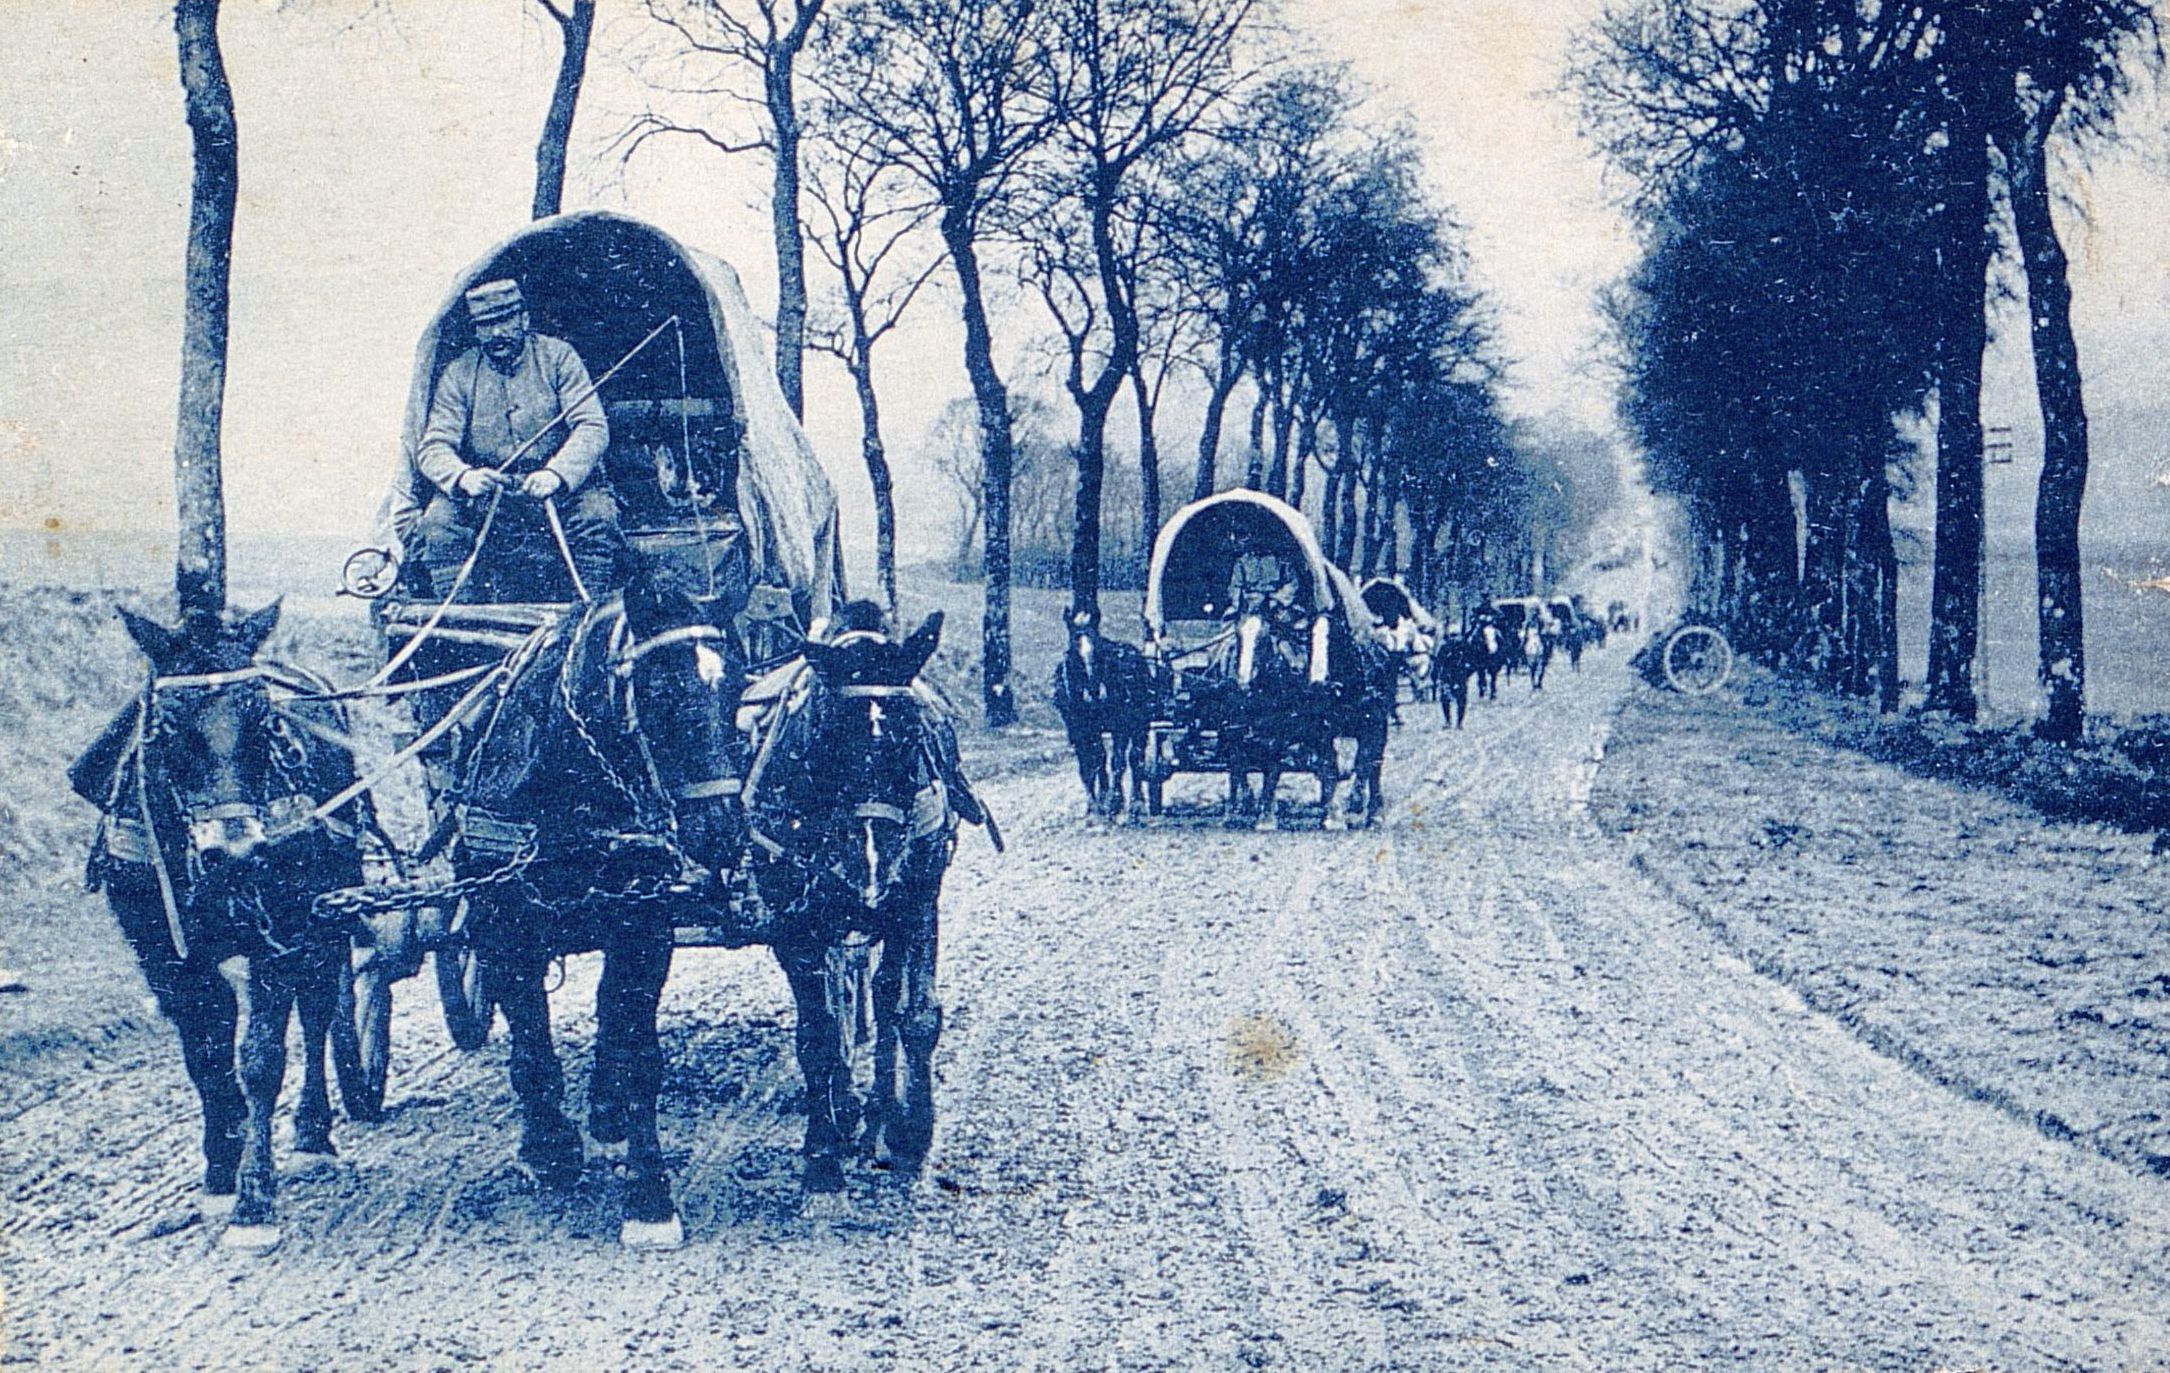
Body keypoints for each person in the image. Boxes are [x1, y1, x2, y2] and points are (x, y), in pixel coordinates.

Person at [406, 278, 620, 602]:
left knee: (597, 515)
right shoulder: (459, 374)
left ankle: (584, 619)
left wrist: (556, 474)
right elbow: (434, 447)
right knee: (438, 524)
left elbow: (591, 426)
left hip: (559, 490)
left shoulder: (559, 358)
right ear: (476, 330)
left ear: (524, 318)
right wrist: (464, 477)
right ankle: (460, 629)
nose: (496, 334)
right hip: (488, 493)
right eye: (485, 325)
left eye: (504, 321)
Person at [1224, 526, 1300, 623]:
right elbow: (1235, 586)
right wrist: (1237, 606)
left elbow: (1291, 583)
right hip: (1251, 605)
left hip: (1276, 604)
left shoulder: (1280, 560)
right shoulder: (1242, 562)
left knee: (1293, 622)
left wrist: (1279, 601)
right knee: (1230, 620)